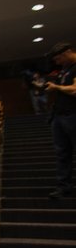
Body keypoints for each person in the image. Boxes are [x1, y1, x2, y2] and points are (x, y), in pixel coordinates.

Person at [45, 42, 76, 199]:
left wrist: (56, 88)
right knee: (62, 153)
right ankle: (64, 186)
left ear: (68, 53)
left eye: (58, 59)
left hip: (73, 114)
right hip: (59, 115)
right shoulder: (65, 70)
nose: (57, 62)